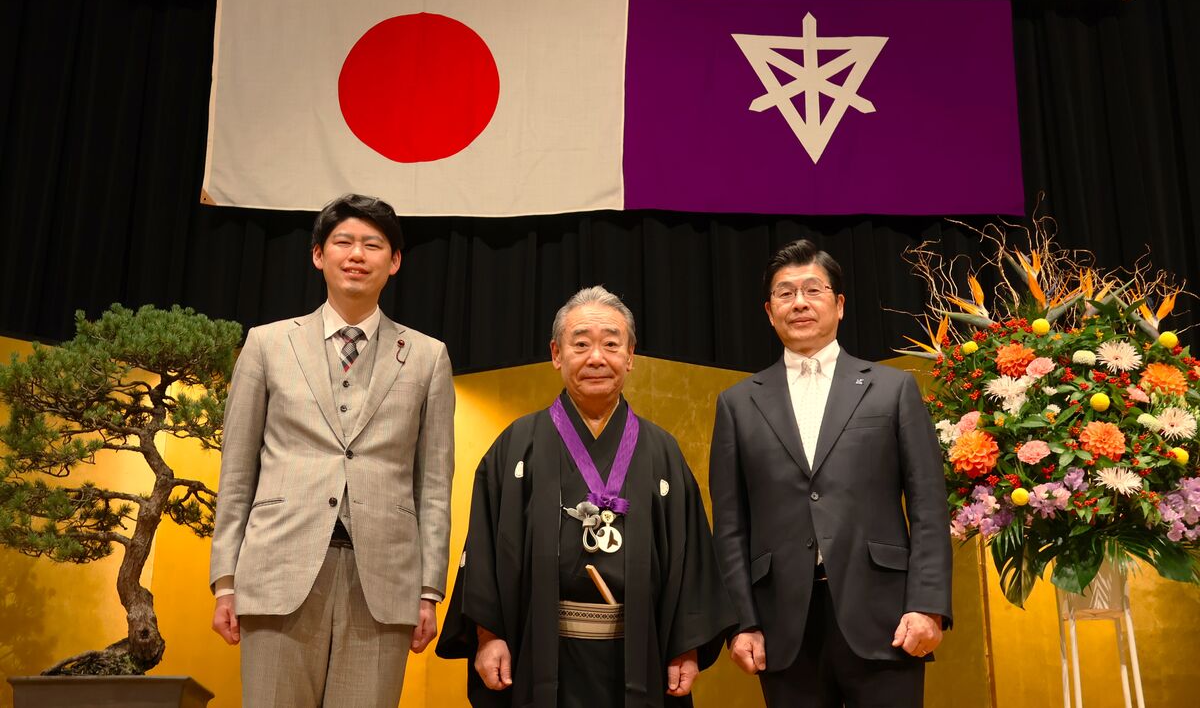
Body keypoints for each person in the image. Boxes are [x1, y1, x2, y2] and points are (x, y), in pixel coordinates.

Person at [208, 193, 455, 707]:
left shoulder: (429, 357)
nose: (357, 254)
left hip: (384, 580)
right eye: (343, 241)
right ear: (319, 254)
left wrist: (429, 590)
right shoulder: (267, 344)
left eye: (373, 244)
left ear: (395, 261)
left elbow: (433, 484)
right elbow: (236, 473)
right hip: (278, 569)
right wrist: (225, 579)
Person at [436, 285, 735, 707]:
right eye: (581, 344)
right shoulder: (517, 445)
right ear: (557, 354)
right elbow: (484, 549)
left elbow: (692, 560)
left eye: (611, 344)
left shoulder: (661, 451)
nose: (597, 357)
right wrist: (488, 635)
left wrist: (685, 648)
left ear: (630, 356)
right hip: (538, 649)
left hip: (638, 653)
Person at [709, 240, 952, 708]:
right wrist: (743, 621)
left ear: (839, 305)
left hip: (887, 617)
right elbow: (730, 525)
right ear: (768, 310)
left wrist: (929, 606)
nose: (799, 302)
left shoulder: (893, 389)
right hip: (782, 624)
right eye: (785, 293)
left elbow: (928, 506)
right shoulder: (737, 404)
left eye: (812, 290)